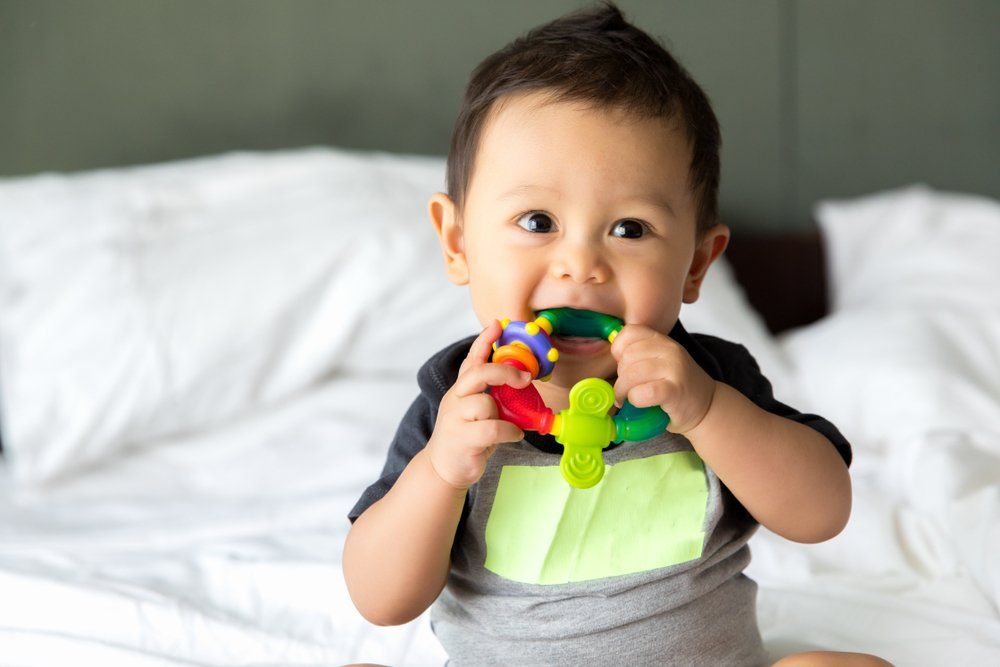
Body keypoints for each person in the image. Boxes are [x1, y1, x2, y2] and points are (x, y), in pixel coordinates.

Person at [343, 3, 892, 665]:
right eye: (538, 220)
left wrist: (710, 412)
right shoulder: (457, 404)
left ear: (695, 263)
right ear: (458, 241)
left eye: (629, 229)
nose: (582, 264)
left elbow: (823, 511)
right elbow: (380, 597)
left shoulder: (710, 382)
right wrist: (439, 473)